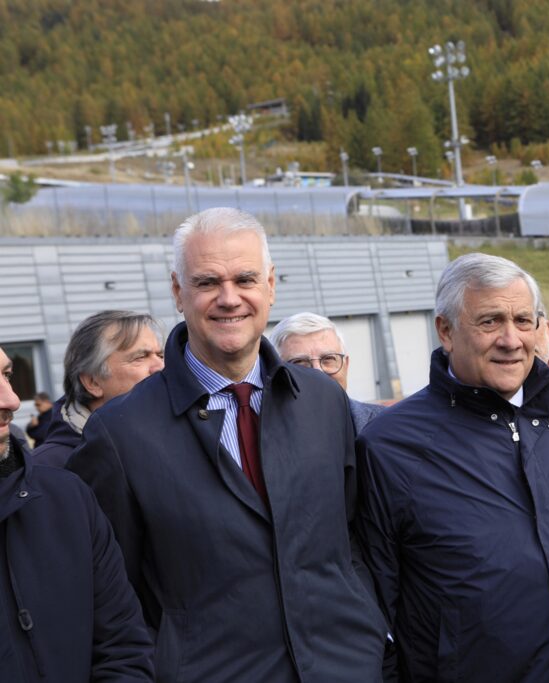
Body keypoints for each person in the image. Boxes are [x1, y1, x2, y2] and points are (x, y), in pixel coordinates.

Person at [68, 207, 388, 682]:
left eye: (245, 279)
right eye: (207, 282)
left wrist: (367, 640)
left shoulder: (323, 401)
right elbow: (114, 599)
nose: (229, 298)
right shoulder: (119, 434)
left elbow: (346, 544)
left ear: (271, 285)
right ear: (178, 292)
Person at [356, 252, 549, 681]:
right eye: (490, 321)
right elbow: (375, 608)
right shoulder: (391, 446)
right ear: (446, 331)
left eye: (523, 321)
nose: (511, 340)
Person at [0, 345, 155, 682]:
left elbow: (123, 645)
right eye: (140, 356)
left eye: (7, 375)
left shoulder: (67, 496)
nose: (11, 400)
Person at [33, 310, 164, 468]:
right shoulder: (46, 469)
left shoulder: (179, 440)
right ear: (93, 382)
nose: (161, 367)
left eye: (160, 355)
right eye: (140, 357)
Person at [268, 312, 384, 433]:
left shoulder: (384, 422)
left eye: (328, 359)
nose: (318, 372)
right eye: (300, 362)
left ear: (346, 365)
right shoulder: (262, 433)